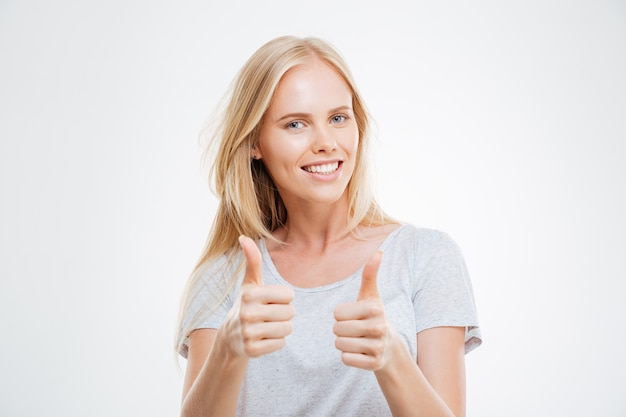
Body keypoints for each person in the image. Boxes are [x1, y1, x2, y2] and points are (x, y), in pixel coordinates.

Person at [175, 35, 481, 417]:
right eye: (296, 124)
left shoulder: (427, 257)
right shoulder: (221, 277)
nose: (325, 142)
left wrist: (392, 359)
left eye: (338, 118)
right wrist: (227, 351)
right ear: (255, 141)